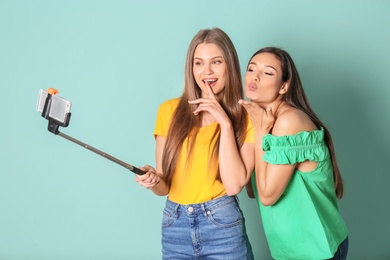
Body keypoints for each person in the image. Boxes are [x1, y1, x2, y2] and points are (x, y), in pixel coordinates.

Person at [135, 27, 255, 259]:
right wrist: (152, 180)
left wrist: (225, 123)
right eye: (198, 63)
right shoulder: (168, 111)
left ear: (229, 65)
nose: (206, 71)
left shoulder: (247, 115)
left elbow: (233, 185)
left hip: (222, 225)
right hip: (175, 226)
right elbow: (164, 186)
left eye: (216, 62)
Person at [239, 47, 349, 260]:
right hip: (290, 250)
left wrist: (260, 133)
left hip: (317, 249)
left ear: (284, 86)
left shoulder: (289, 121)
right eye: (251, 69)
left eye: (268, 72)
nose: (255, 77)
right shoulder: (260, 120)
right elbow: (252, 189)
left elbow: (267, 196)